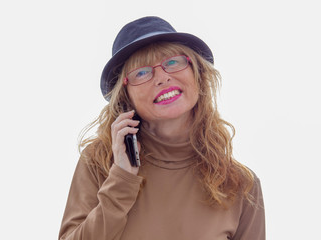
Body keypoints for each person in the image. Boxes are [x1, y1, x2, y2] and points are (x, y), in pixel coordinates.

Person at [59, 16, 265, 240]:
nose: (162, 78)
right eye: (141, 72)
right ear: (124, 97)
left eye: (173, 62)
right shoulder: (100, 162)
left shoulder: (240, 185)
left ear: (198, 74)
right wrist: (121, 181)